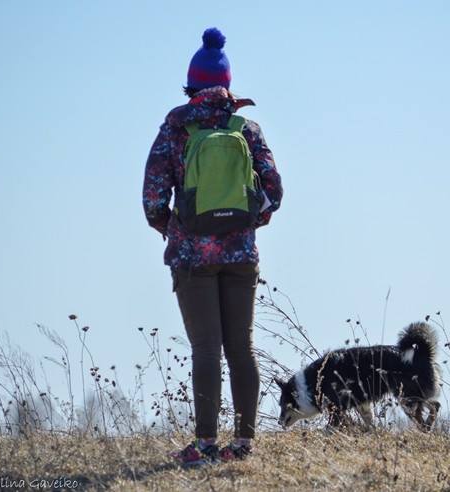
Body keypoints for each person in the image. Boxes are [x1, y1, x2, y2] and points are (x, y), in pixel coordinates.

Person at [142, 27, 282, 466]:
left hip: (192, 257)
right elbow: (274, 193)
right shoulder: (247, 127)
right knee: (240, 347)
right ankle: (243, 446)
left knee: (205, 348)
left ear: (192, 83)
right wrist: (246, 223)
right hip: (241, 256)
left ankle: (203, 445)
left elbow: (151, 198)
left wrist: (175, 228)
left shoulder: (176, 128)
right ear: (226, 82)